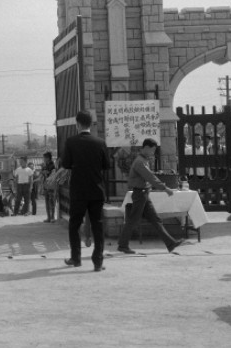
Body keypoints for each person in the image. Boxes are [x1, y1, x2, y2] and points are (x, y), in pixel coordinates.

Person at [117, 139, 185, 255]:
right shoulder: (140, 162)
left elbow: (149, 178)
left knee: (155, 219)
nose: (153, 152)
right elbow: (150, 177)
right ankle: (122, 245)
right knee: (133, 220)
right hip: (140, 194)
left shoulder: (143, 160)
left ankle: (170, 243)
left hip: (144, 194)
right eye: (153, 149)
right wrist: (165, 188)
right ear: (146, 148)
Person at [61, 110, 110, 272]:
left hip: (78, 191)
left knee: (74, 224)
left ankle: (76, 258)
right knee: (98, 225)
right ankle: (98, 262)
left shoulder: (71, 142)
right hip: (96, 189)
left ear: (78, 124)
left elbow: (66, 164)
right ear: (91, 124)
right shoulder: (100, 142)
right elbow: (106, 165)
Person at [40, 152, 57, 223]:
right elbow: (42, 172)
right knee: (47, 202)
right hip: (46, 185)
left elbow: (51, 174)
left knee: (51, 202)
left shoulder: (52, 165)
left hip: (51, 186)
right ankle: (48, 217)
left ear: (47, 158)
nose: (43, 159)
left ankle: (52, 217)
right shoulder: (45, 165)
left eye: (44, 158)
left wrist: (45, 172)